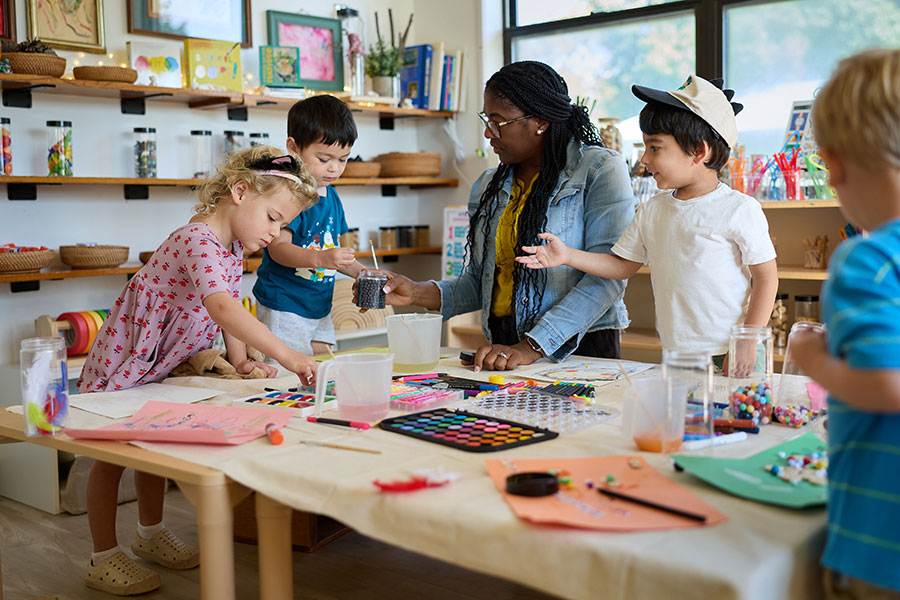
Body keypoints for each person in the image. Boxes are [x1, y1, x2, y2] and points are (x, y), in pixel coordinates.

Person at [77, 145, 320, 596]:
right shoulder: (195, 239)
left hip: (159, 365)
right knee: (110, 460)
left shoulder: (229, 249)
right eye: (272, 217)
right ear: (241, 191)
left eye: (282, 224)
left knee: (150, 449)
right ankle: (103, 555)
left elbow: (232, 305)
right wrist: (288, 356)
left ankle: (149, 535)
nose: (276, 231)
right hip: (127, 360)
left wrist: (243, 359)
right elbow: (223, 307)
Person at [371, 61, 636, 372]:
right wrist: (416, 291)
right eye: (486, 119)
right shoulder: (488, 184)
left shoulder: (599, 169)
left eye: (498, 121)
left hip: (579, 345)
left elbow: (607, 278)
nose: (487, 132)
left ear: (541, 122)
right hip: (505, 345)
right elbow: (481, 282)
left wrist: (532, 346)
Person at [518, 74, 778, 373]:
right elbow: (622, 265)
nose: (644, 159)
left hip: (733, 352)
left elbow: (766, 278)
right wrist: (568, 256)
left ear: (699, 151)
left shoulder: (739, 209)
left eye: (655, 148)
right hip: (679, 356)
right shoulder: (653, 209)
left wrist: (747, 339)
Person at [788, 48, 900, 600]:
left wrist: (816, 362)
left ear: (831, 165)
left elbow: (887, 386)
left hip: (882, 543)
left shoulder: (867, 258)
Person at [253, 95, 363, 356]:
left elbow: (335, 255)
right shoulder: (290, 194)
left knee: (322, 368)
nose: (334, 169)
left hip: (319, 305)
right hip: (284, 304)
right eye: (324, 159)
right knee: (285, 374)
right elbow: (278, 248)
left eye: (343, 159)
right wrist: (321, 258)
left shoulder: (331, 196)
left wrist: (365, 273)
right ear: (293, 147)